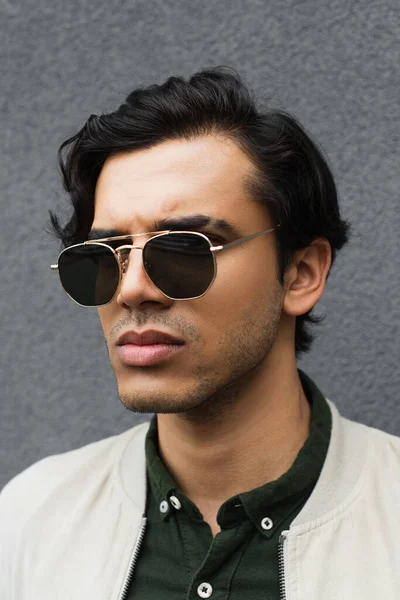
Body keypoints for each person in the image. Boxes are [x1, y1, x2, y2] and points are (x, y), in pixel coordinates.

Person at [1, 66, 399, 600]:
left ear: (300, 273)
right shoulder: (30, 523)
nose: (133, 289)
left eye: (187, 248)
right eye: (104, 256)